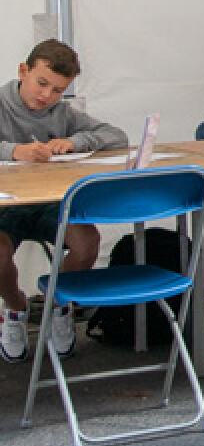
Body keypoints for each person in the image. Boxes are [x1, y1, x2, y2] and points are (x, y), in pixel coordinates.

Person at [0, 40, 127, 363]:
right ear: (23, 71)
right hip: (5, 207)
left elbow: (117, 136)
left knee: (87, 241)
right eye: (42, 83)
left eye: (58, 90)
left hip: (50, 204)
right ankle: (14, 307)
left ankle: (58, 305)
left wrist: (74, 142)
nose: (46, 95)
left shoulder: (62, 113)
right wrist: (13, 151)